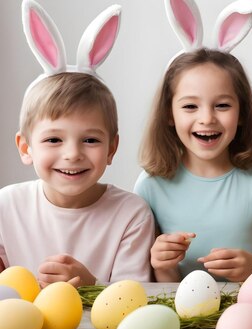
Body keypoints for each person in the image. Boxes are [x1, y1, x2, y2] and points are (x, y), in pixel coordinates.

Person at [135, 0, 252, 284]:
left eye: (222, 105)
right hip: (184, 322)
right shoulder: (150, 186)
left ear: (242, 113)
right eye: (190, 107)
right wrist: (162, 265)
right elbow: (151, 283)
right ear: (169, 115)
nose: (207, 119)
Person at [1, 1, 154, 286]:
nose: (72, 154)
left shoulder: (132, 214)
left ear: (111, 149)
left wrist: (90, 285)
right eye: (53, 139)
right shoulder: (6, 207)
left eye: (90, 140)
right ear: (25, 148)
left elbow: (134, 302)